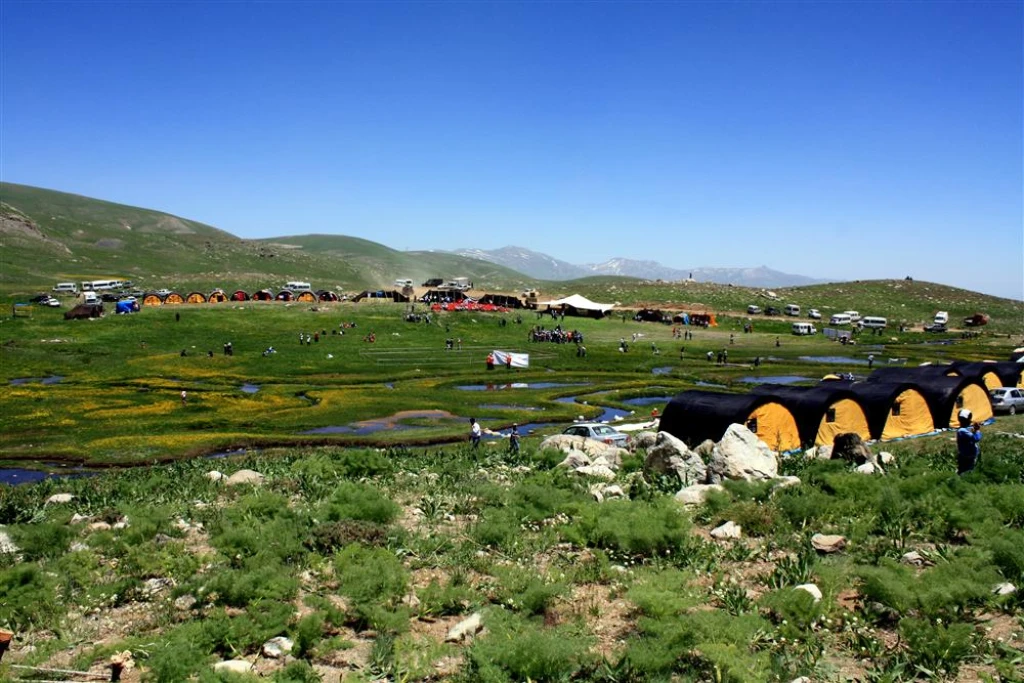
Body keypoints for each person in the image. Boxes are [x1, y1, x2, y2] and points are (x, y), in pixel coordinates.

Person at [955, 409, 982, 475]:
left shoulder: (966, 429)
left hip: (969, 455)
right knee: (966, 471)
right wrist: (977, 430)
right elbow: (976, 438)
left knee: (967, 470)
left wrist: (975, 430)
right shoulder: (962, 431)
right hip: (967, 455)